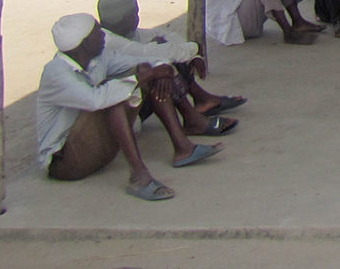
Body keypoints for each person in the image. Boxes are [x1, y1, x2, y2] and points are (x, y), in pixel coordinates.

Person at [36, 14, 225, 201]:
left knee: (145, 73)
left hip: (95, 149)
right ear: (83, 43)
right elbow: (95, 100)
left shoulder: (99, 57)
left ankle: (183, 147)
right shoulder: (56, 73)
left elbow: (140, 61)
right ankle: (138, 176)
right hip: (65, 162)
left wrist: (161, 70)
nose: (103, 35)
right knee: (116, 99)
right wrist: (144, 76)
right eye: (97, 32)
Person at [96, 0, 246, 125]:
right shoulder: (109, 41)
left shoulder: (124, 32)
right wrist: (194, 49)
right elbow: (150, 53)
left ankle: (202, 101)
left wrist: (191, 55)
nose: (138, 17)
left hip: (133, 97)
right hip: (121, 112)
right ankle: (193, 119)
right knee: (161, 69)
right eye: (135, 14)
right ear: (126, 19)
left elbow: (165, 36)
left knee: (164, 55)